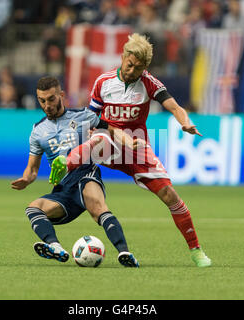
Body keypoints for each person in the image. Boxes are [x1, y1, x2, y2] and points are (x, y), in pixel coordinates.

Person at [50, 34, 211, 267]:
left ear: (144, 68)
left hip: (135, 146)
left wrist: (184, 122)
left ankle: (196, 251)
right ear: (123, 56)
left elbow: (174, 106)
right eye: (129, 63)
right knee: (100, 139)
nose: (131, 70)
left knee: (170, 196)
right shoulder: (103, 82)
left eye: (137, 68)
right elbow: (91, 118)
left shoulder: (149, 83)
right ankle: (67, 162)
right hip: (108, 138)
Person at [10, 76, 141, 267]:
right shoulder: (38, 131)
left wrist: (128, 141)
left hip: (85, 174)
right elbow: (32, 169)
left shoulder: (84, 116)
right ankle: (55, 247)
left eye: (51, 99)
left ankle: (125, 253)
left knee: (98, 209)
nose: (47, 105)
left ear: (61, 95)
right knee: (33, 208)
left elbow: (111, 129)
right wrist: (26, 179)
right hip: (63, 189)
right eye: (42, 101)